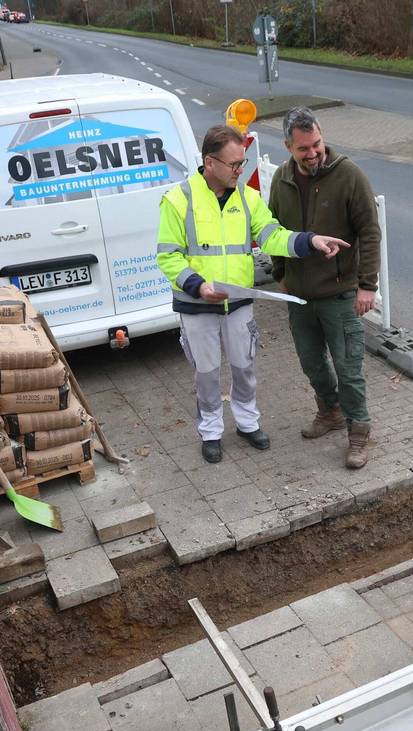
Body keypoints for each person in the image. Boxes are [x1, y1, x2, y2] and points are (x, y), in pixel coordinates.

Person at [156, 124, 348, 464]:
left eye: (242, 163)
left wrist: (311, 241)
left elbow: (272, 235)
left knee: (244, 366)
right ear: (209, 162)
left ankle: (247, 423)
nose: (239, 171)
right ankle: (212, 431)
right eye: (234, 165)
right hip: (197, 304)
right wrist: (197, 285)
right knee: (207, 372)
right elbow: (168, 256)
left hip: (240, 300)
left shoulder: (248, 198)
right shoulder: (178, 199)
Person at [268, 107, 381, 469]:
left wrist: (367, 286)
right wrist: (279, 272)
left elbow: (369, 232)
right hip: (300, 296)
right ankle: (329, 411)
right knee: (312, 363)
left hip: (341, 294)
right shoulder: (281, 180)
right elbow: (273, 230)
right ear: (288, 146)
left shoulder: (349, 175)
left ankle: (358, 431)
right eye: (304, 148)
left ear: (321, 135)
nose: (313, 152)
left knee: (349, 367)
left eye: (317, 143)